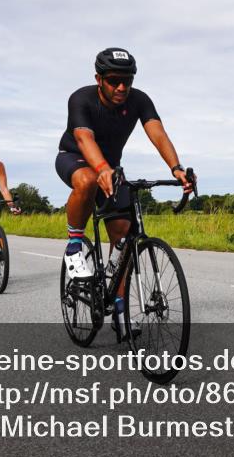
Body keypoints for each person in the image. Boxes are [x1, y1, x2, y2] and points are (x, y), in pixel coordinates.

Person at [56, 47, 193, 283]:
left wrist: (176, 168)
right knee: (88, 180)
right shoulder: (81, 98)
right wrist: (102, 169)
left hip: (110, 167)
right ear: (99, 79)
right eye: (113, 81)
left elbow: (158, 134)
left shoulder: (139, 99)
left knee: (123, 236)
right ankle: (74, 245)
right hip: (74, 157)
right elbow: (83, 138)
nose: (121, 87)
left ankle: (118, 308)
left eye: (127, 81)